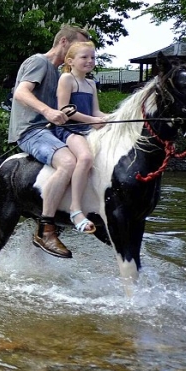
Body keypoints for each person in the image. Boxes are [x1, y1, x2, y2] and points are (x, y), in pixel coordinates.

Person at [8, 23, 91, 258]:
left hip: (51, 131)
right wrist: (47, 111)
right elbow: (21, 93)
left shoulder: (61, 74)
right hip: (31, 130)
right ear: (64, 42)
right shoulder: (39, 62)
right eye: (77, 47)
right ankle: (46, 230)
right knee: (67, 163)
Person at [55, 41, 109, 235]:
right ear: (70, 60)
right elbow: (64, 110)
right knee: (85, 157)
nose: (90, 61)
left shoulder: (91, 84)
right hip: (69, 130)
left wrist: (109, 118)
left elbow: (96, 111)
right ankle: (75, 209)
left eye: (93, 57)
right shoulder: (67, 79)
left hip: (88, 129)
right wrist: (93, 120)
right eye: (84, 57)